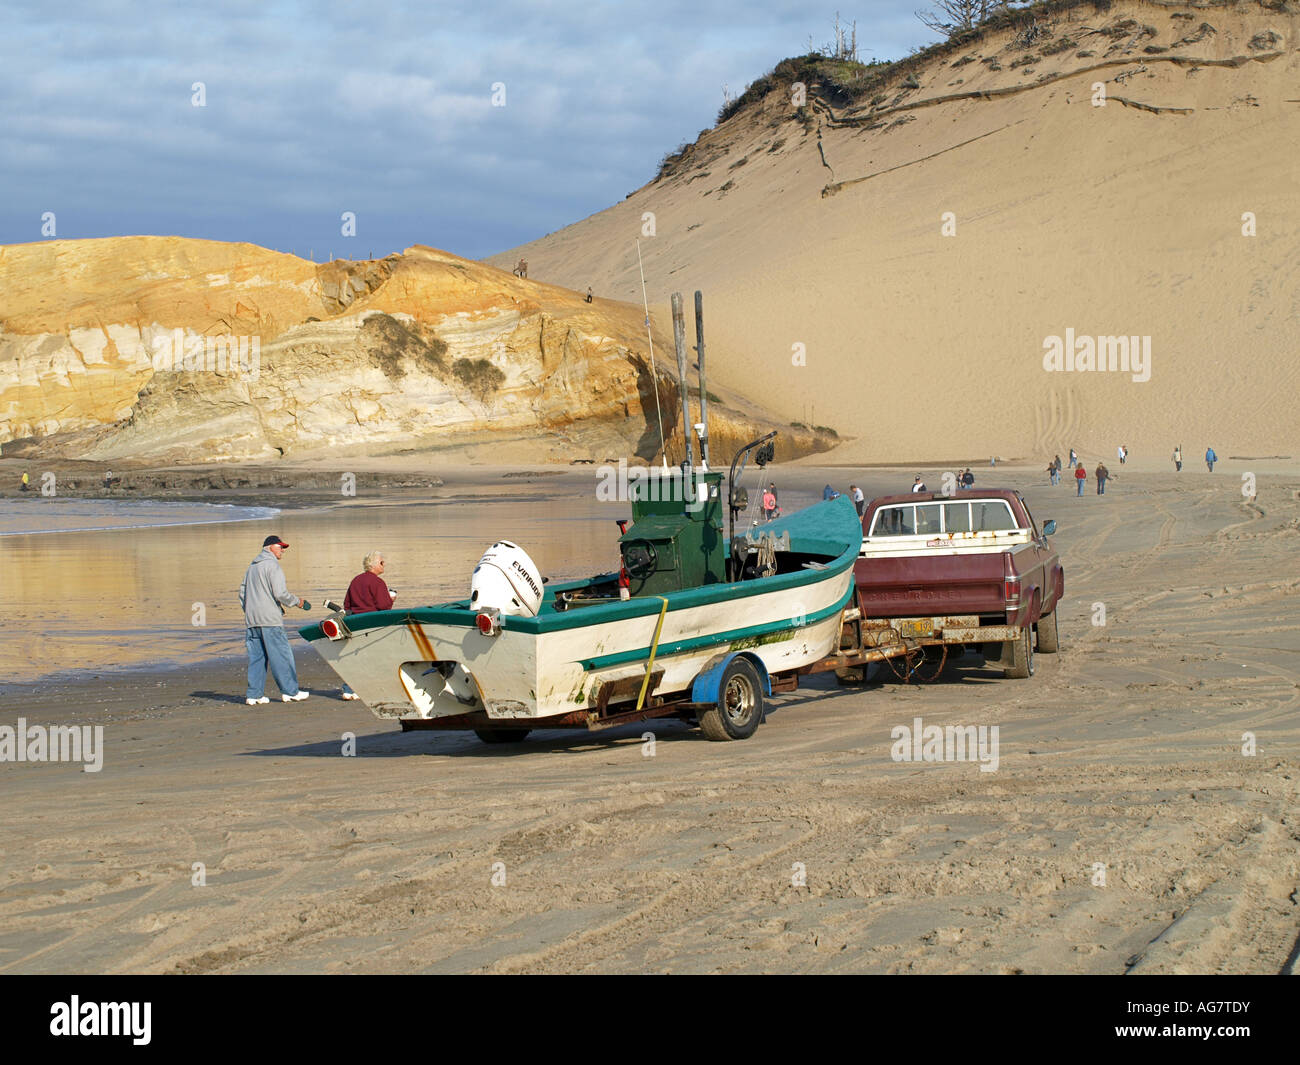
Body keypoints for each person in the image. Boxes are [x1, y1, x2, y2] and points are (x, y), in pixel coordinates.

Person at [239, 534, 311, 705]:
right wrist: (298, 602)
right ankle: (290, 692)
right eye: (280, 547)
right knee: (282, 656)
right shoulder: (272, 566)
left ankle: (254, 695)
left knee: (257, 657)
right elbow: (280, 593)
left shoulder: (251, 568)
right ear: (270, 548)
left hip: (252, 620)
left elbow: (242, 594)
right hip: (270, 620)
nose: (282, 551)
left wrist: (249, 611)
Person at [340, 551, 397, 700]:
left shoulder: (356, 580)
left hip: (355, 623)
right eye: (381, 562)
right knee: (372, 657)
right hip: (372, 624)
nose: (384, 565)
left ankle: (348, 689)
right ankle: (366, 689)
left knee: (354, 656)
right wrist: (392, 598)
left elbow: (347, 604)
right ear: (373, 565)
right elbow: (384, 606)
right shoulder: (377, 582)